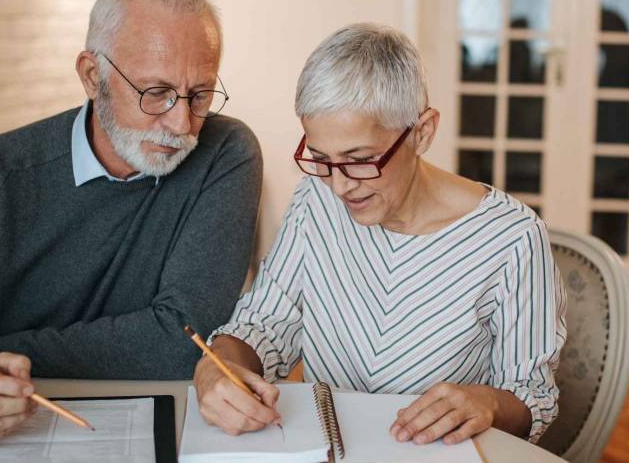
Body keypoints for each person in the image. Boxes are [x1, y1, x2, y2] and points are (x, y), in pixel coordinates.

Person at [0, 0, 262, 446]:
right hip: (15, 432)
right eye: (156, 93)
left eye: (200, 94)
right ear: (93, 77)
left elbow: (184, 340)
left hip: (170, 426)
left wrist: (1, 349)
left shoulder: (226, 152)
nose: (181, 123)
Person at [193, 23, 565, 445]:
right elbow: (265, 322)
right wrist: (218, 362)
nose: (340, 185)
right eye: (321, 158)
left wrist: (489, 404)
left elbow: (533, 396)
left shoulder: (513, 239)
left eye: (360, 159)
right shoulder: (316, 199)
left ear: (422, 132)